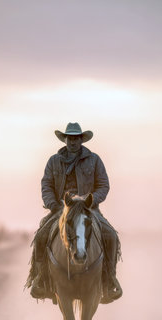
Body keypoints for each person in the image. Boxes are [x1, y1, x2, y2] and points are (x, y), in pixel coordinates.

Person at [26, 122, 122, 304]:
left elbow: (103, 185)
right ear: (65, 139)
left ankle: (110, 281)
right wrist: (53, 204)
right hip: (61, 209)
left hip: (88, 209)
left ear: (81, 139)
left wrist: (91, 201)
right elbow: (46, 184)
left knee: (110, 236)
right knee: (41, 236)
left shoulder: (94, 160)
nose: (73, 141)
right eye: (70, 138)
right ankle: (40, 280)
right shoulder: (53, 161)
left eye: (76, 138)